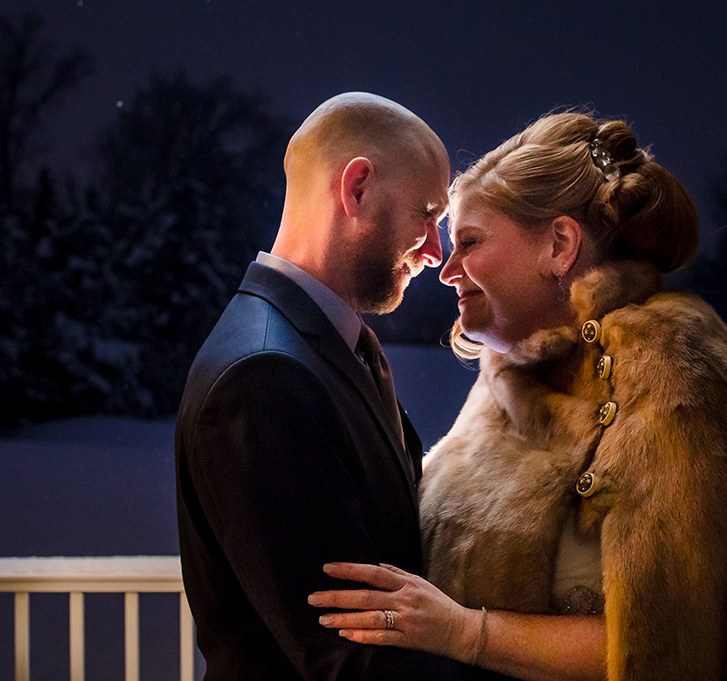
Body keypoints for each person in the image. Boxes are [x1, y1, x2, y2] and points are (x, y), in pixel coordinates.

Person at [308, 112, 727, 681]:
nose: (447, 269)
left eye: (471, 242)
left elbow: (673, 646)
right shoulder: (507, 376)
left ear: (559, 245)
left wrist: (460, 630)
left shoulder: (677, 382)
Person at [175, 92, 519, 680]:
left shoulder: (326, 346)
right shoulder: (261, 378)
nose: (436, 254)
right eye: (427, 215)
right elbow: (346, 659)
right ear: (356, 188)